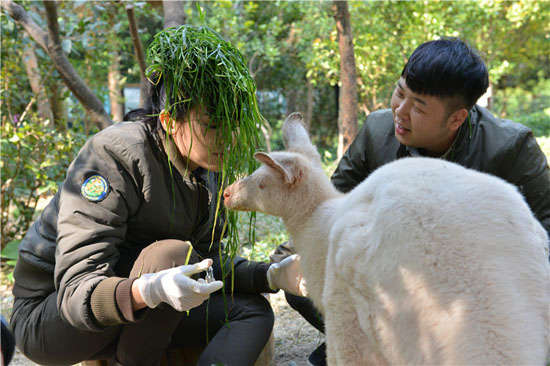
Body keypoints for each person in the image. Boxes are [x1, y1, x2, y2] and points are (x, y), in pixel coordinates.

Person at [10, 25, 302, 366]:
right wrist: (149, 290)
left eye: (235, 123)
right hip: (52, 316)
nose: (230, 138)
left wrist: (271, 275)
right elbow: (76, 294)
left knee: (251, 309)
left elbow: (207, 264)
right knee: (173, 255)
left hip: (147, 314)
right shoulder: (114, 155)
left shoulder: (208, 166)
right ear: (168, 120)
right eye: (213, 123)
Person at [274, 37, 550, 366]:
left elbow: (545, 226)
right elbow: (328, 207)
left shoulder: (511, 147)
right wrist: (288, 260)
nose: (400, 112)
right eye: (400, 93)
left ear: (457, 118)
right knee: (302, 279)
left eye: (418, 106)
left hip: (473, 288)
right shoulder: (378, 131)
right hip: (395, 282)